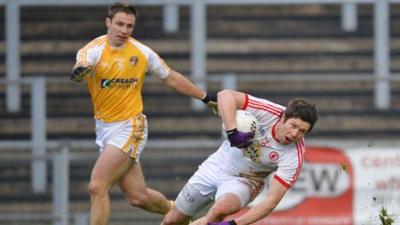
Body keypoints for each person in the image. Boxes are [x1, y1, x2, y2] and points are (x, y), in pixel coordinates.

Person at [70, 2, 217, 225]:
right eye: (119, 24)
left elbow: (171, 77)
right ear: (108, 22)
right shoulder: (94, 49)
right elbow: (83, 63)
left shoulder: (141, 52)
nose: (124, 30)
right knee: (138, 197)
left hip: (130, 126)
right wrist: (80, 71)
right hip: (104, 128)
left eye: (129, 26)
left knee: (96, 186)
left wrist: (204, 97)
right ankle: (181, 213)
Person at [161, 89, 318, 225]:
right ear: (283, 118)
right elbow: (225, 95)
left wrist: (234, 223)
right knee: (172, 221)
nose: (295, 134)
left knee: (219, 211)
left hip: (247, 181)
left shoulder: (294, 156)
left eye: (302, 131)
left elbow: (271, 202)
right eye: (293, 126)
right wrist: (232, 133)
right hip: (217, 165)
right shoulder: (269, 112)